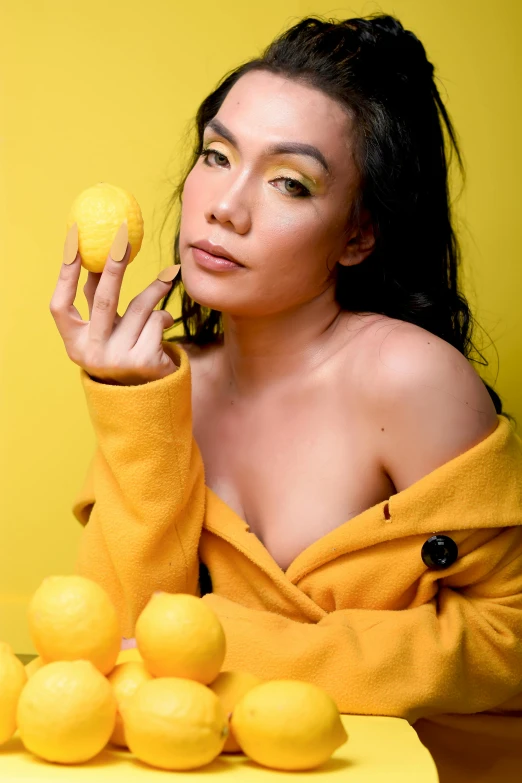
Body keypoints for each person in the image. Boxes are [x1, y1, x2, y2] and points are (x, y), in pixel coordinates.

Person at [51, 14, 522, 783]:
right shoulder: (168, 385)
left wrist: (231, 645)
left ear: (356, 235)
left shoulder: (409, 378)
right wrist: (132, 405)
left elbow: (512, 635)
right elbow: (116, 647)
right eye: (216, 154)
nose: (224, 206)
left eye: (288, 182)